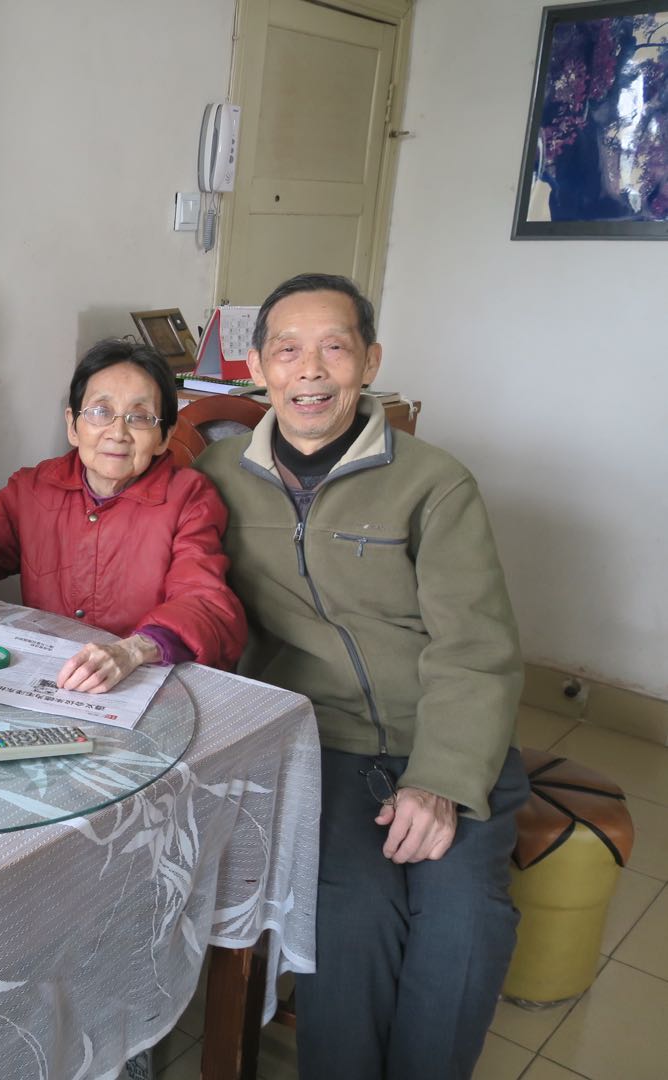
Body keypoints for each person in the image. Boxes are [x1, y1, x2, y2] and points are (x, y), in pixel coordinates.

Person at [193, 273, 528, 1079]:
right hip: (321, 745)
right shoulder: (216, 477)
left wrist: (440, 780)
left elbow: (476, 646)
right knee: (348, 924)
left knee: (463, 924)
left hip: (443, 738)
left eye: (334, 348)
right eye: (287, 350)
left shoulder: (433, 482)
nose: (310, 370)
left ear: (370, 361)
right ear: (256, 367)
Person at [0, 339, 246, 691]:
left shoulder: (189, 499)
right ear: (73, 426)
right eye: (100, 412)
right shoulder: (36, 488)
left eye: (139, 417)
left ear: (164, 436)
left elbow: (204, 602)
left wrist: (134, 650)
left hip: (143, 683)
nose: (118, 433)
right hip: (51, 679)